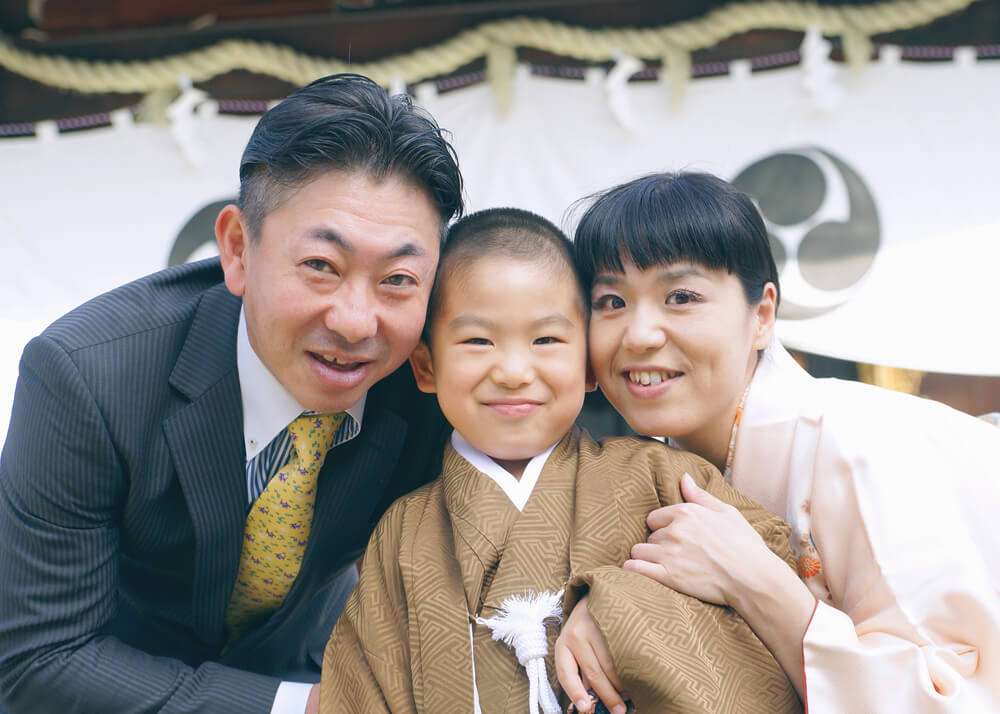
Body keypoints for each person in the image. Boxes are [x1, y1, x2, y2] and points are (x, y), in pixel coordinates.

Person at [0, 74, 463, 714]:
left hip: (310, 658)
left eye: (399, 279)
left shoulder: (439, 374)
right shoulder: (86, 377)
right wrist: (307, 709)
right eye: (322, 266)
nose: (358, 322)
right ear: (238, 250)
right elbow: (39, 661)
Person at [319, 208, 801, 714]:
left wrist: (620, 605)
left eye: (546, 340)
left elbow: (768, 575)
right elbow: (358, 689)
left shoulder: (664, 478)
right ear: (426, 366)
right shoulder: (402, 531)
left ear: (589, 364)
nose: (511, 371)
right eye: (478, 341)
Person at [557, 171, 1000, 713]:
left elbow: (948, 698)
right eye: (610, 302)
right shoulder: (654, 469)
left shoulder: (856, 443)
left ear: (762, 315)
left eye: (680, 296)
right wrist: (617, 605)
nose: (640, 334)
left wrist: (755, 579)